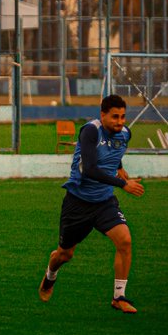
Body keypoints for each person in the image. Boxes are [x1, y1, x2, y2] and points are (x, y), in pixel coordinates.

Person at [38, 95, 145, 314]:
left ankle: (119, 297)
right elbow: (90, 170)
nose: (120, 122)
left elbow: (114, 150)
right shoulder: (90, 131)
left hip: (104, 201)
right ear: (102, 114)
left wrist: (119, 166)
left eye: (123, 117)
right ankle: (50, 275)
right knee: (65, 255)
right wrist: (122, 183)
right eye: (115, 117)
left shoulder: (125, 134)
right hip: (78, 202)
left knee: (125, 240)